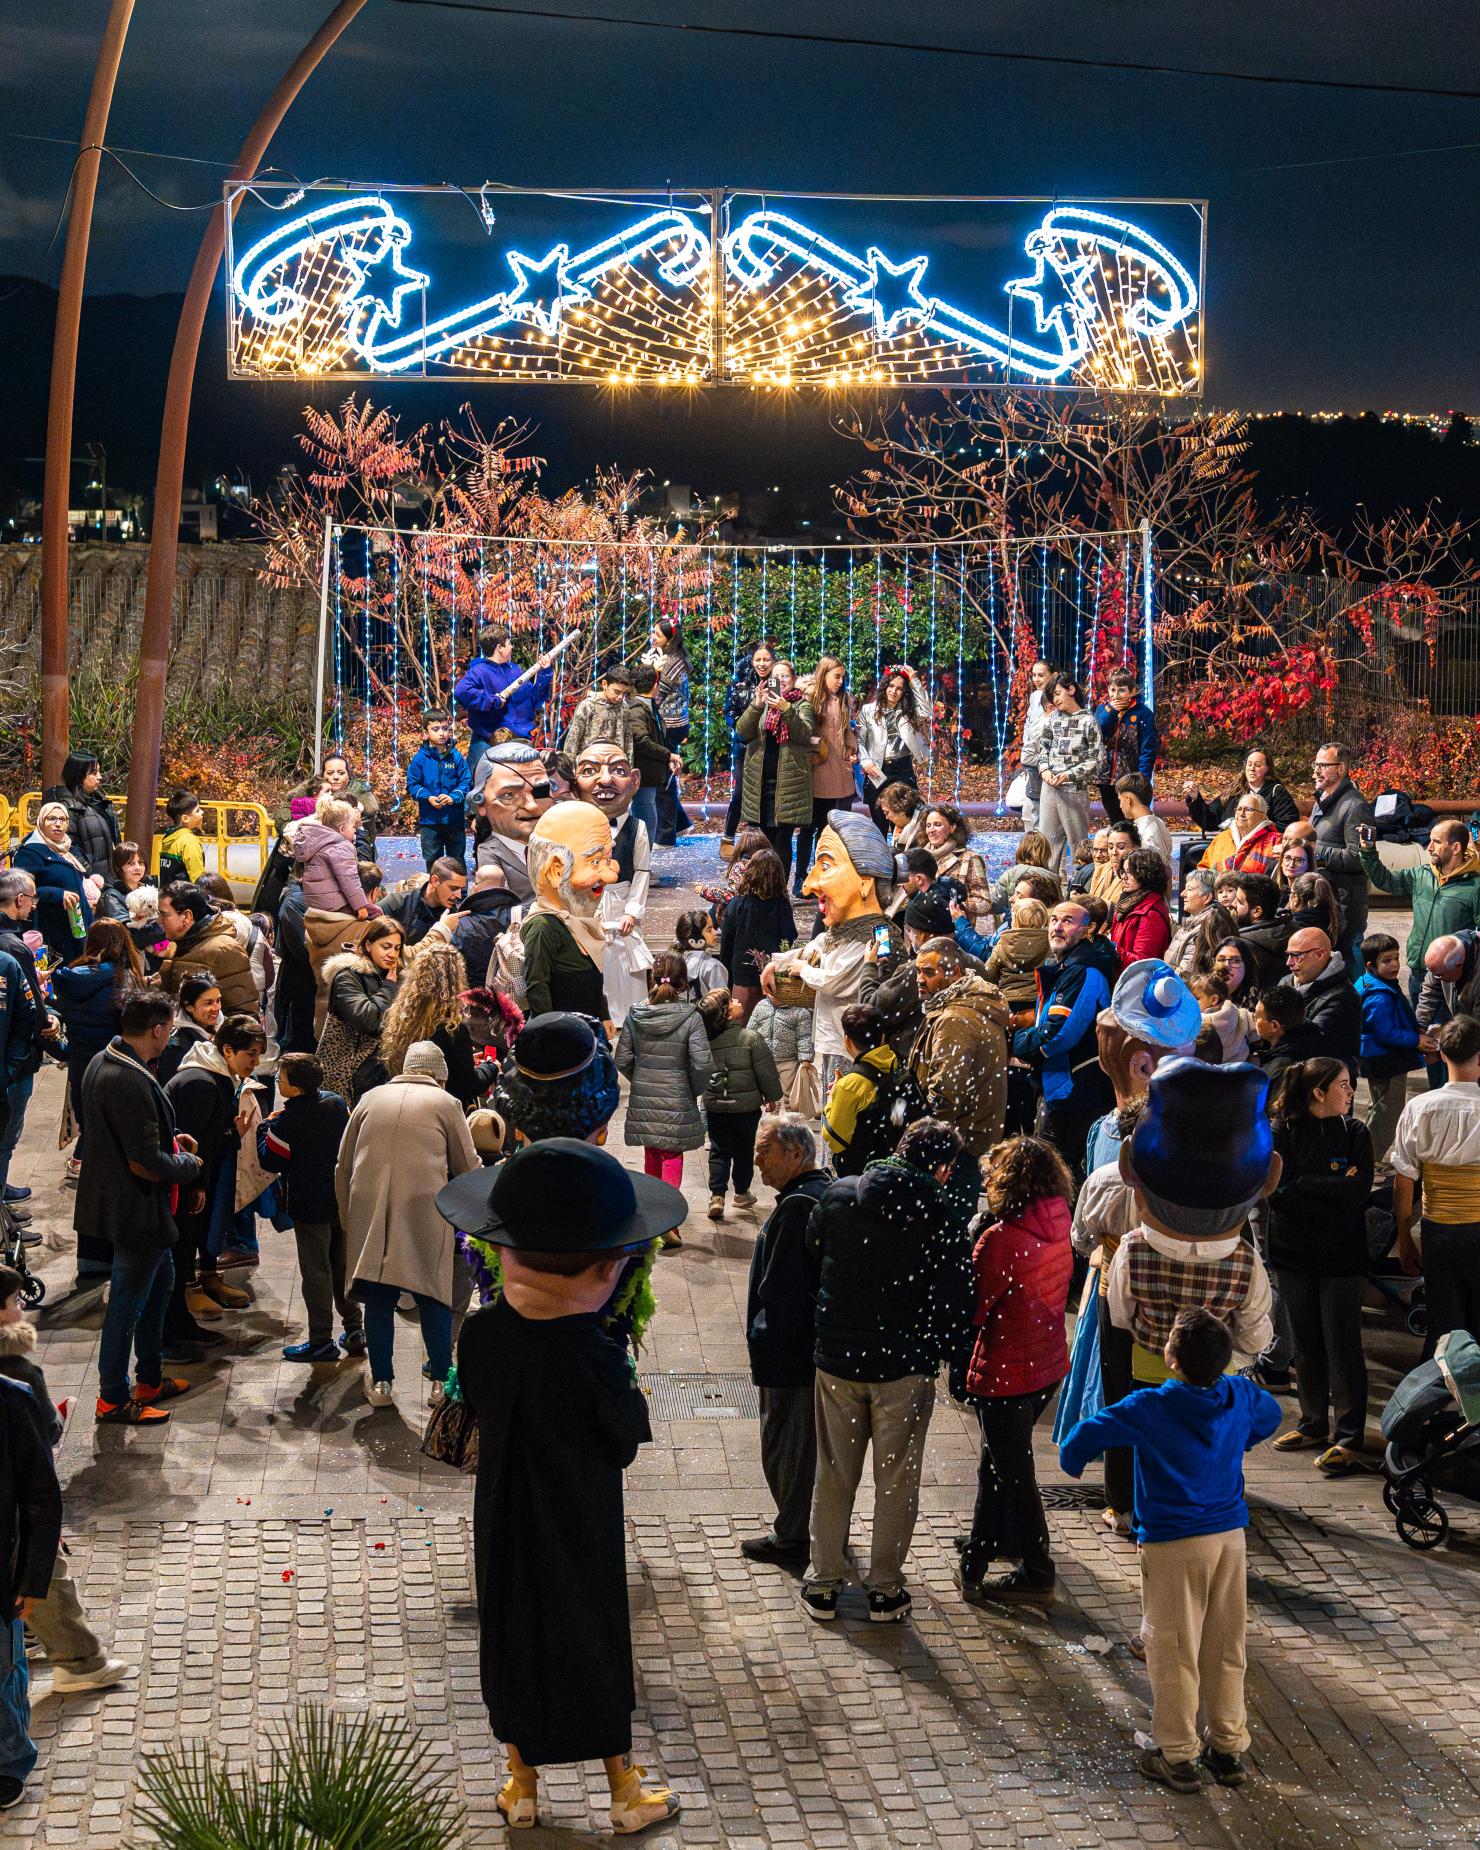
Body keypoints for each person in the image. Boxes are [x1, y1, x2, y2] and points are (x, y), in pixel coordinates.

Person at [454, 1140, 687, 1834]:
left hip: (505, 1513)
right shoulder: (595, 1353)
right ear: (606, 1267)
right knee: (592, 1637)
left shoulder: (482, 1336)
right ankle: (623, 1792)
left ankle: (521, 1784)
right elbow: (623, 1441)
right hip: (581, 1519)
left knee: (512, 1632)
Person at [1060, 1308, 1281, 1793]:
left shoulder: (1151, 1405)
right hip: (1229, 1536)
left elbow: (1086, 1435)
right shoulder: (1240, 1395)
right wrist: (1239, 1438)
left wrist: (1070, 1459)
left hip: (1173, 1541)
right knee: (1225, 1645)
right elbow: (1271, 1417)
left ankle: (1179, 1754)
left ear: (1171, 1359)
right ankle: (1228, 1748)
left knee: (1173, 1649)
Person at [801, 1118, 965, 1625]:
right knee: (896, 1479)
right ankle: (884, 1589)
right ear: (941, 1168)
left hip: (838, 1360)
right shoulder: (941, 1215)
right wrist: (941, 1349)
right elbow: (954, 1296)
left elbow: (813, 1255)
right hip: (904, 1368)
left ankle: (823, 1582)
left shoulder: (840, 1195)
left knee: (833, 1471)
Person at [1106, 1060, 1276, 1393]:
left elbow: (1120, 1314)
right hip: (1214, 1379)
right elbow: (1254, 1336)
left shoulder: (1132, 1249)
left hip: (1148, 1372)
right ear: (1271, 1177)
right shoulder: (1245, 1260)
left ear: (1127, 1166)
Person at [0, 1264, 127, 1696]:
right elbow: (43, 1436)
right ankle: (78, 1663)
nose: (21, 1307)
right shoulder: (18, 1373)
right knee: (45, 1576)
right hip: (16, 1505)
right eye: (14, 1301)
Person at [958, 1135, 1074, 1604]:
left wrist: (972, 1245)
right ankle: (983, 1548)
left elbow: (975, 1308)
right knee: (999, 1463)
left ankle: (1037, 1569)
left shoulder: (1002, 1238)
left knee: (1013, 1473)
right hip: (1045, 1363)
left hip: (1006, 1370)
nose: (985, 1183)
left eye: (991, 1176)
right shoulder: (1057, 1219)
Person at [77, 991, 203, 1423]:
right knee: (127, 1305)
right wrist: (188, 1165)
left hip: (134, 1207)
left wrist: (170, 1140)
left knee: (160, 1288)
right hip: (135, 1210)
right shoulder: (126, 1079)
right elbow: (143, 1162)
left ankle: (149, 1379)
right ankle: (112, 1398)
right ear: (158, 1030)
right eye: (170, 1027)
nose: (171, 1035)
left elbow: (130, 1137)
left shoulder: (105, 1059)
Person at [337, 1039, 480, 1407]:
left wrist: (348, 1218)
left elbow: (343, 1165)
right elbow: (467, 1167)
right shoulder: (446, 1103)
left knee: (378, 1297)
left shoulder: (369, 1099)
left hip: (369, 1207)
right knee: (432, 1294)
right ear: (440, 1076)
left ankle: (382, 1384)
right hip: (425, 1208)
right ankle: (440, 1383)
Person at [1264, 1057, 1374, 1474]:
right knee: (1306, 1342)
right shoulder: (1282, 1131)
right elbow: (1278, 1193)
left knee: (1343, 1344)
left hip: (1342, 1255)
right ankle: (1312, 1423)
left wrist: (1307, 1186)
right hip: (1293, 1253)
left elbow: (1359, 1190)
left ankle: (1349, 1435)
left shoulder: (1356, 1132)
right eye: (1343, 1085)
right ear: (1318, 1092)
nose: (1351, 1092)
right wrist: (1333, 1186)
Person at [742, 1114, 831, 1568]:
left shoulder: (798, 1206)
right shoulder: (814, 1193)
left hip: (790, 1355)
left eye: (765, 1151)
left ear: (796, 1153)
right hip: (800, 1351)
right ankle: (801, 1528)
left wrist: (765, 1337)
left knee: (788, 1446)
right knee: (799, 1445)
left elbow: (783, 1290)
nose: (757, 1161)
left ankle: (793, 1536)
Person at [763, 810, 900, 1097]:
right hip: (832, 1040)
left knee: (844, 1112)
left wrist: (804, 971)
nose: (808, 885)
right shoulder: (840, 932)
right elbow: (816, 946)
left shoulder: (878, 936)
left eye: (825, 866)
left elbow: (837, 981)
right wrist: (777, 964)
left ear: (865, 882)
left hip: (853, 1048)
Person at [257, 1052, 363, 1365]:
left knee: (316, 1272)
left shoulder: (288, 1121)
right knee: (342, 1267)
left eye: (282, 1079)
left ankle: (320, 1341)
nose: (278, 1083)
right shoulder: (335, 1103)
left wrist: (264, 1129)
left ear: (296, 1087)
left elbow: (271, 1160)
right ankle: (355, 1329)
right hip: (341, 1199)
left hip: (308, 1204)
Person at [1013, 899, 1119, 1179]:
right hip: (1061, 1086)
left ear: (1086, 930)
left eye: (1067, 921)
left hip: (1075, 1092)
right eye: (1054, 920)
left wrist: (1020, 1043)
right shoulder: (1067, 967)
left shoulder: (1085, 971)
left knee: (1052, 1178)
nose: (1057, 927)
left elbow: (1058, 1035)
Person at [1391, 1014, 1480, 1350]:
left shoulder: (1419, 1108)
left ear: (1441, 1054)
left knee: (1444, 1325)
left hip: (1439, 1229)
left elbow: (1404, 1180)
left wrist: (1404, 1236)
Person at [0, 1364, 62, 1809]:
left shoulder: (11, 1400)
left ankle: (8, 1762)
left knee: (2, 1668)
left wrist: (32, 1578)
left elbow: (40, 1495)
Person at [1358, 818, 1480, 1020]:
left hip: (1450, 978)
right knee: (1420, 1027)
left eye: (1436, 842)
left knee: (1447, 1032)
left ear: (1456, 848)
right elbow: (1385, 880)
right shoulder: (1421, 874)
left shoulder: (1475, 886)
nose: (1429, 847)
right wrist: (1368, 850)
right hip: (1417, 971)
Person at [53, 919, 145, 1180]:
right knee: (110, 1121)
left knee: (88, 1119)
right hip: (115, 1063)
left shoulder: (70, 976)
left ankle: (81, 1161)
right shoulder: (125, 979)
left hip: (80, 1060)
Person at [910, 937, 1010, 1159]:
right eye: (918, 971)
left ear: (954, 972)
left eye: (928, 972)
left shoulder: (954, 1020)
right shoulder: (971, 1003)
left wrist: (923, 1139)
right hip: (971, 1138)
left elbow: (945, 1093)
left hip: (957, 1145)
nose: (920, 979)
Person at [613, 970, 712, 1193]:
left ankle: (655, 1209)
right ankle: (671, 1211)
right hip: (677, 1097)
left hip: (644, 1096)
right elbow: (703, 1064)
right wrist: (691, 1089)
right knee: (672, 1153)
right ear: (683, 984)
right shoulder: (692, 1017)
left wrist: (641, 1079)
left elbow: (622, 1059)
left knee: (652, 1151)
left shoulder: (635, 1015)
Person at [521, 802, 619, 1024]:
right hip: (564, 1035)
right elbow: (537, 987)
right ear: (556, 870)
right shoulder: (543, 927)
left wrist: (603, 1015)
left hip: (588, 1029)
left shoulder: (582, 922)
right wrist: (552, 1031)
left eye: (609, 859)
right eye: (595, 861)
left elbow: (592, 977)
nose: (610, 875)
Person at [697, 987, 782, 1219]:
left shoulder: (706, 1043)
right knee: (744, 1151)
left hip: (716, 1107)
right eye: (731, 1001)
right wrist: (772, 1096)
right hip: (746, 1109)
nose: (737, 1000)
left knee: (719, 1150)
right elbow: (766, 1072)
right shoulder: (751, 1038)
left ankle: (717, 1196)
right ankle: (742, 1192)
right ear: (726, 1013)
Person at [380, 940, 492, 1110]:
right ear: (457, 981)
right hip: (442, 1110)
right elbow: (470, 1084)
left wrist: (466, 1061)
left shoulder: (402, 1021)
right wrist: (490, 1067)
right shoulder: (452, 1029)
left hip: (405, 1104)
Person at [0, 875, 53, 1221]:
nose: (34, 905)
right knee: (6, 1138)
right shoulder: (14, 950)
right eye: (32, 898)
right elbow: (30, 1012)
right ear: (20, 899)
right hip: (12, 1065)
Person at [735, 657, 814, 881]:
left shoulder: (801, 705)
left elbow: (805, 735)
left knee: (782, 841)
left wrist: (785, 709)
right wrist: (756, 705)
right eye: (776, 677)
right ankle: (761, 888)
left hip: (787, 785)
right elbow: (742, 733)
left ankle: (779, 891)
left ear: (794, 679)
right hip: (760, 784)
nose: (780, 680)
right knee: (761, 843)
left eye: (785, 676)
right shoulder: (761, 704)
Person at [822, 1002, 923, 1175]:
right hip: (900, 1165)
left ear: (847, 1040)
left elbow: (836, 1140)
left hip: (864, 1173)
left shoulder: (849, 1085)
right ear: (882, 1037)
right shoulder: (901, 1066)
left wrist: (833, 1097)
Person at [1355, 932, 1430, 1163]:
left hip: (1376, 1058)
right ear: (1371, 965)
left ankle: (1367, 1158)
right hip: (1386, 1060)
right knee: (1388, 1112)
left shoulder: (1369, 982)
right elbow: (1386, 1032)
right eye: (1387, 960)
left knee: (1378, 1107)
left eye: (1396, 957)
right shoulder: (1379, 996)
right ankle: (1371, 1162)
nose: (1395, 964)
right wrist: (1416, 1041)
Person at [316, 916, 402, 1104]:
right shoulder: (348, 976)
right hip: (345, 1073)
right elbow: (369, 1021)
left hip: (377, 1072)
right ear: (368, 945)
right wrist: (389, 987)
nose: (392, 954)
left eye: (397, 948)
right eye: (386, 946)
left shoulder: (394, 976)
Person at [1025, 674, 1103, 878]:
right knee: (1047, 844)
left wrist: (1069, 775)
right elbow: (1043, 750)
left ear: (1071, 690)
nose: (1055, 700)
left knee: (1079, 845)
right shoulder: (1052, 719)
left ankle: (1081, 886)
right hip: (1049, 789)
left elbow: (1096, 760)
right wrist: (1045, 770)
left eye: (1058, 693)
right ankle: (1049, 887)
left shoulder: (1089, 721)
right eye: (1052, 696)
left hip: (1074, 791)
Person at [1307, 741, 1376, 969]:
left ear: (1341, 768)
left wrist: (1314, 851)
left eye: (1323, 765)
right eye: (1316, 765)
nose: (1317, 771)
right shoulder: (1322, 800)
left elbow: (1358, 857)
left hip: (1346, 906)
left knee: (1351, 967)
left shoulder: (1355, 806)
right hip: (1327, 901)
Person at [795, 656, 859, 896]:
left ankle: (822, 876)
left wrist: (851, 746)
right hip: (817, 771)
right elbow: (802, 731)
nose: (840, 681)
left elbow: (846, 728)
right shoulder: (809, 698)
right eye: (836, 676)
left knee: (827, 830)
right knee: (808, 827)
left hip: (839, 771)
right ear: (824, 675)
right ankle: (801, 877)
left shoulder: (842, 699)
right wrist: (817, 745)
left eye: (843, 677)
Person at [156, 882, 258, 1015]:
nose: (159, 921)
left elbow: (243, 1013)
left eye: (164, 915)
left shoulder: (224, 950)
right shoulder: (179, 943)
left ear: (187, 916)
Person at [454, 627, 556, 757]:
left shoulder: (514, 670)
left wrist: (545, 672)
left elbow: (535, 699)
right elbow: (461, 692)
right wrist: (492, 701)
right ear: (499, 647)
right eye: (509, 643)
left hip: (519, 741)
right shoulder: (479, 671)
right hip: (488, 742)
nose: (512, 647)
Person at [472, 742, 556, 901]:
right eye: (509, 795)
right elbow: (496, 908)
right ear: (481, 804)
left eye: (540, 791)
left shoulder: (560, 842)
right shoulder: (490, 855)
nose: (531, 806)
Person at [719, 848, 795, 1020]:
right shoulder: (782, 905)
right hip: (772, 978)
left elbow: (726, 941)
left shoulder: (738, 904)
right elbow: (789, 937)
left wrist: (728, 976)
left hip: (743, 977)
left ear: (750, 871)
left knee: (740, 1025)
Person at [14, 800, 93, 962]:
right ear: (41, 822)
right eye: (51, 819)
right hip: (50, 927)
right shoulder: (30, 851)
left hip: (77, 923)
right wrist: (57, 894)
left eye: (62, 819)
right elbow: (21, 891)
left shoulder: (70, 849)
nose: (58, 824)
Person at [1279, 927, 1361, 1078]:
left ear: (1319, 954)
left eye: (1296, 955)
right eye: (1288, 955)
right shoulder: (1286, 982)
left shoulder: (1343, 997)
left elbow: (1314, 1043)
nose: (1288, 963)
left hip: (1326, 1082)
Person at [721, 639, 778, 851]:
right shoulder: (739, 684)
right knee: (740, 793)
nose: (762, 664)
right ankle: (728, 837)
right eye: (758, 659)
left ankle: (760, 840)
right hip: (745, 748)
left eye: (766, 659)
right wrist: (742, 726)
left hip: (769, 748)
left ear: (773, 661)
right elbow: (730, 713)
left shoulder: (778, 683)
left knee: (765, 794)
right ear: (751, 661)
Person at [642, 616, 693, 846]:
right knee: (665, 776)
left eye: (658, 635)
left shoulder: (672, 661)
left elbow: (656, 693)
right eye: (653, 633)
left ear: (670, 639)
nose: (653, 637)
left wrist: (651, 672)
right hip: (668, 722)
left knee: (663, 778)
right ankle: (679, 823)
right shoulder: (665, 656)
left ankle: (665, 834)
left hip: (669, 725)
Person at [857, 668, 926, 831]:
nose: (894, 691)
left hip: (903, 768)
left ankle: (901, 849)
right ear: (884, 686)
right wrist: (865, 761)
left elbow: (926, 711)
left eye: (899, 688)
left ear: (904, 692)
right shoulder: (868, 710)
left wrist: (914, 681)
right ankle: (881, 849)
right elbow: (859, 740)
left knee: (905, 823)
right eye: (891, 686)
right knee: (879, 822)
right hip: (878, 769)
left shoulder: (908, 710)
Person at [275, 752, 381, 851]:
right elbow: (282, 814)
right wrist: (289, 832)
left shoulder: (360, 795)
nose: (335, 777)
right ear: (323, 775)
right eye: (330, 773)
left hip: (351, 851)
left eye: (341, 773)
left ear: (348, 775)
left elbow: (361, 833)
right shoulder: (311, 788)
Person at [1184, 747, 1299, 836]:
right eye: (1249, 764)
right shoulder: (1234, 792)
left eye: (1257, 765)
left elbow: (1288, 824)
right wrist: (1196, 799)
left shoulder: (1277, 792)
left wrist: (1258, 828)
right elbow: (1210, 821)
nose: (1252, 768)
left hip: (1261, 851)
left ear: (1268, 768)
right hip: (1229, 848)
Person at [407, 711, 471, 870]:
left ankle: (459, 887)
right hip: (429, 821)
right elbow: (413, 785)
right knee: (433, 862)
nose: (442, 733)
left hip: (454, 820)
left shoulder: (456, 756)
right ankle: (435, 886)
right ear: (425, 733)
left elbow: (466, 781)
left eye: (445, 728)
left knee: (457, 860)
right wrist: (428, 797)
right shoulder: (420, 759)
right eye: (435, 729)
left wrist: (453, 797)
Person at [43, 751, 120, 885]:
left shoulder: (98, 802)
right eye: (94, 773)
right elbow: (66, 847)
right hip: (87, 884)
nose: (100, 777)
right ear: (78, 776)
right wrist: (88, 875)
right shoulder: (66, 808)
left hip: (105, 880)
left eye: (99, 772)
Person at [294, 798, 378, 918]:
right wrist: (360, 906)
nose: (355, 830)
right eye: (353, 827)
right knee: (375, 915)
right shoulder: (340, 847)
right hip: (334, 906)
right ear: (342, 829)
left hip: (315, 904)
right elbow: (348, 878)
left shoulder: (318, 842)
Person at [1094, 669, 1158, 821]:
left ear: (1132, 691)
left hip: (1129, 777)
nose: (1116, 696)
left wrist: (1142, 778)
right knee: (1115, 817)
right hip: (1106, 777)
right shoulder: (1103, 709)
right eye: (1112, 690)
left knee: (1131, 818)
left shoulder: (1143, 713)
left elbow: (1148, 749)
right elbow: (1097, 733)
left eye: (1122, 690)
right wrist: (1111, 712)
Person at [626, 663, 674, 848]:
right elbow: (641, 740)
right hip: (642, 774)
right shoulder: (638, 709)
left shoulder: (646, 706)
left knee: (647, 818)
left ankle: (641, 860)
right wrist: (668, 755)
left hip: (647, 774)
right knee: (645, 822)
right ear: (655, 685)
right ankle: (641, 862)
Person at [919, 803, 991, 925]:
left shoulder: (970, 858)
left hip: (954, 929)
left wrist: (953, 904)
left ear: (952, 828)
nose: (931, 830)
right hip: (922, 926)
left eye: (937, 825)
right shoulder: (920, 857)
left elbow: (984, 903)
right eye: (928, 825)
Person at [985, 895, 1051, 1016]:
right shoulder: (1049, 942)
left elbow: (989, 974)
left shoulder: (1004, 942)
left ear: (1015, 920)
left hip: (1009, 1001)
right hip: (1039, 1000)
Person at [382, 858, 466, 950]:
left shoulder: (454, 914)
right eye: (453, 888)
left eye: (461, 889)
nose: (459, 895)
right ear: (435, 881)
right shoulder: (396, 904)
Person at [1110, 849, 1173, 966]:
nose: (1124, 877)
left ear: (1146, 874)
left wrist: (1109, 948)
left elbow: (1142, 964)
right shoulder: (1127, 904)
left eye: (1130, 872)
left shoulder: (1150, 914)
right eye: (1123, 871)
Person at [1252, 985, 1325, 1082]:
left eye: (1257, 1017)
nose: (1253, 1017)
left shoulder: (1278, 1073)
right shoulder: (1314, 1037)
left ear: (1274, 1025)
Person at [1232, 872, 1290, 994]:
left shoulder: (1241, 947)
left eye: (1240, 902)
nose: (1233, 904)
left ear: (1257, 911)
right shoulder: (1289, 931)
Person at [563, 664, 636, 761]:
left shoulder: (624, 707)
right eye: (617, 692)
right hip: (590, 762)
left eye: (624, 693)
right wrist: (568, 766)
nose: (620, 697)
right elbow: (573, 739)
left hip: (616, 763)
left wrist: (628, 766)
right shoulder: (587, 705)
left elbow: (628, 742)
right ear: (605, 684)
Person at [1203, 791, 1281, 878]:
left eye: (1248, 810)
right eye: (1239, 809)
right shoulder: (1221, 838)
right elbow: (1203, 869)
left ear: (1262, 816)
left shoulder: (1275, 840)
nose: (1241, 814)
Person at [1016, 658, 1055, 829]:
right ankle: (1033, 840)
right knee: (1031, 806)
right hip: (1034, 757)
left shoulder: (1059, 698)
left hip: (1051, 761)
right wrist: (1028, 745)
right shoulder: (1035, 697)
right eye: (1034, 675)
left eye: (1041, 675)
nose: (1036, 679)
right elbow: (1029, 724)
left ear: (1053, 675)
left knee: (1045, 809)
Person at [1190, 970, 1253, 1064]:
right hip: (1242, 1066)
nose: (1189, 1003)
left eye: (1195, 999)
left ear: (1214, 999)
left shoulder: (1200, 1025)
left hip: (1216, 1071)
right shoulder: (1238, 1013)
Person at [1114, 772, 1172, 866]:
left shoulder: (1145, 833)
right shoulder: (1159, 822)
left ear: (1128, 799)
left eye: (1120, 800)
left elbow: (1148, 870)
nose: (1120, 806)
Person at [672, 911, 728, 1000]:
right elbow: (721, 1002)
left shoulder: (673, 961)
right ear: (695, 937)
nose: (715, 932)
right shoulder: (713, 966)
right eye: (709, 930)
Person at [158, 788, 206, 885]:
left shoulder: (168, 837)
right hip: (185, 894)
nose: (202, 812)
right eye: (197, 810)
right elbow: (198, 879)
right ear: (185, 818)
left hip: (167, 893)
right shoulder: (189, 842)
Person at [876, 780, 924, 853]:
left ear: (902, 810)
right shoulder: (903, 827)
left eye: (887, 812)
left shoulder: (923, 829)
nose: (886, 817)